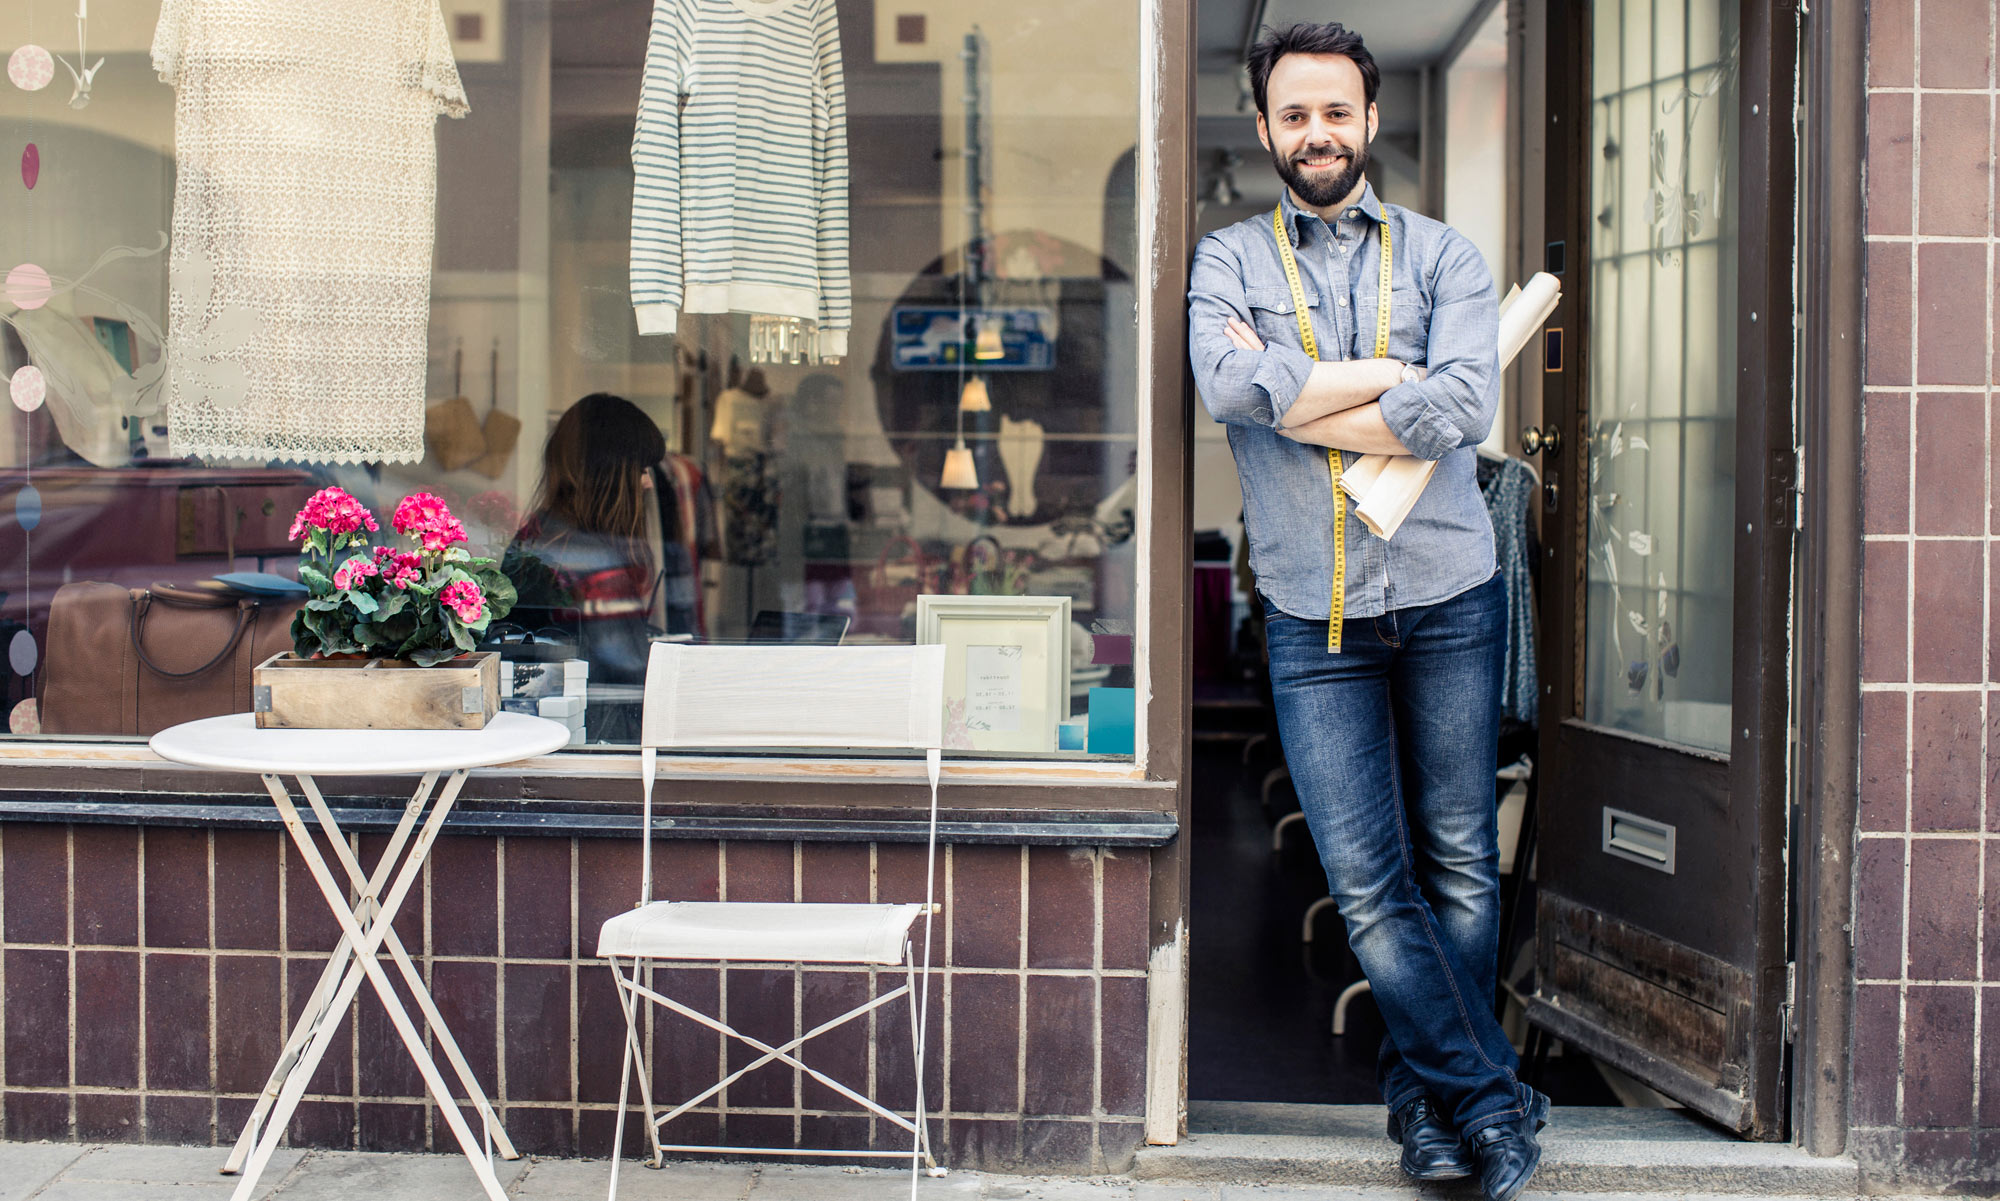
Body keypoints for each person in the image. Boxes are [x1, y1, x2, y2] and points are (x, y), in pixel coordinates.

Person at [1186, 23, 1549, 1201]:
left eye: (1333, 112)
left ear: (1368, 120)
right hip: (1310, 611)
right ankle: (1492, 1100)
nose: (1316, 134)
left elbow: (1453, 412)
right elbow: (1223, 383)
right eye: (1293, 115)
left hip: (1447, 593)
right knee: (1364, 883)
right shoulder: (1228, 258)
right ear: (1263, 130)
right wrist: (1388, 379)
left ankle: (1426, 1112)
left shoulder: (1444, 256)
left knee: (1456, 867)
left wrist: (1300, 396)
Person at [503, 393, 696, 741]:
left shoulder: (536, 536)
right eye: (640, 470)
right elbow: (630, 675)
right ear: (609, 475)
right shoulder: (597, 565)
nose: (649, 482)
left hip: (539, 730)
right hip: (600, 738)